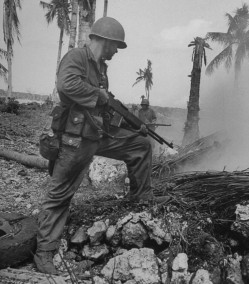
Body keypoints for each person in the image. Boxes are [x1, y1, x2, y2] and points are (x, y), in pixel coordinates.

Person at [34, 17, 169, 275]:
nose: (116, 51)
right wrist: (98, 95)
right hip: (74, 141)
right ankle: (44, 254)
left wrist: (132, 124)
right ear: (105, 40)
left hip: (97, 135)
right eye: (116, 45)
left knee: (140, 145)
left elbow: (106, 109)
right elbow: (67, 85)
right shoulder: (76, 58)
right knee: (59, 196)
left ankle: (141, 197)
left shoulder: (101, 69)